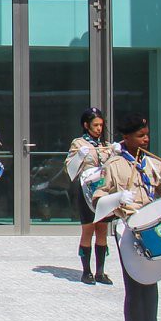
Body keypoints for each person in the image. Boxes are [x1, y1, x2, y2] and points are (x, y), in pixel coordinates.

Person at [92, 114, 161, 321]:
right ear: (127, 138)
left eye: (147, 135)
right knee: (134, 286)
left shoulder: (153, 164)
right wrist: (118, 197)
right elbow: (97, 199)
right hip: (129, 229)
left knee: (151, 285)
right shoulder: (114, 165)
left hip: (152, 228)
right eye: (140, 136)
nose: (145, 139)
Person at [67, 107, 113, 285]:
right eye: (95, 125)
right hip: (87, 191)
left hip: (103, 191)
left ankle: (100, 271)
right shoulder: (78, 143)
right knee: (88, 229)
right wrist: (79, 157)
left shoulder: (105, 144)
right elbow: (70, 170)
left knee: (102, 230)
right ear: (86, 125)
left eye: (101, 125)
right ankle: (86, 271)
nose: (99, 129)